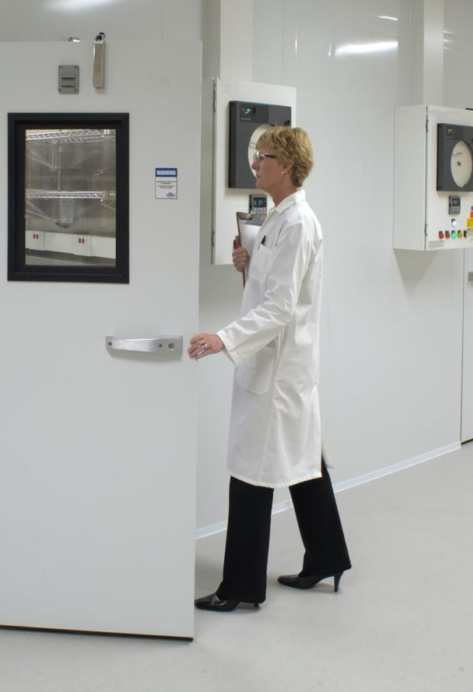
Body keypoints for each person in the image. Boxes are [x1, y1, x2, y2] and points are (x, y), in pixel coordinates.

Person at [189, 126, 351, 612]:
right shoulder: (279, 220)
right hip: (281, 363)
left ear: (286, 165)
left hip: (279, 368)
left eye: (262, 157)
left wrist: (223, 338)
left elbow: (280, 308)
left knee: (251, 473)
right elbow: (273, 290)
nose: (255, 164)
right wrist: (246, 262)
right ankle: (328, 556)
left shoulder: (298, 223)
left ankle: (239, 588)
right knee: (303, 462)